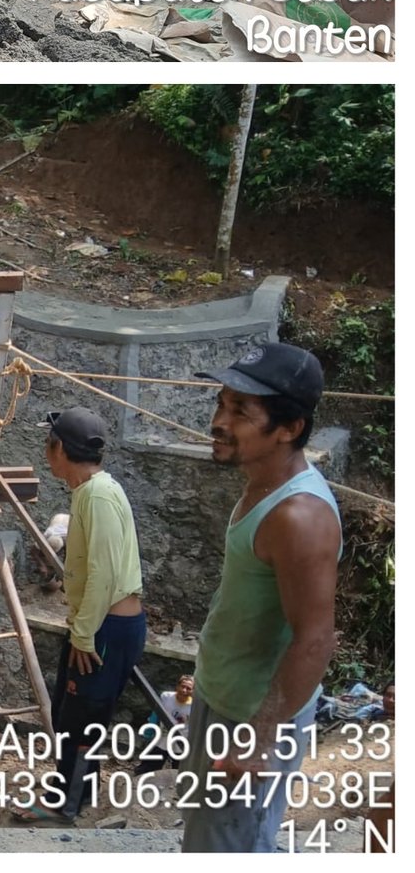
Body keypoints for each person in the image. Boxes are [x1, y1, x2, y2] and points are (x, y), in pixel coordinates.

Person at [180, 342, 341, 854]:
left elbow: (315, 640)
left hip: (250, 719)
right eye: (220, 404)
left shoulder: (299, 517)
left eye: (241, 412)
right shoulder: (261, 486)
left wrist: (260, 736)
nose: (219, 421)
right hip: (223, 699)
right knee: (208, 842)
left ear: (289, 429)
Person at [24, 407, 145, 824]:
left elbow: (104, 573)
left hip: (106, 627)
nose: (46, 451)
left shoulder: (97, 495)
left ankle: (66, 804)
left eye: (48, 443)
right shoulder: (92, 492)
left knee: (81, 717)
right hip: (102, 624)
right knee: (71, 713)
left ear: (59, 448)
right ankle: (74, 795)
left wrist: (84, 635)